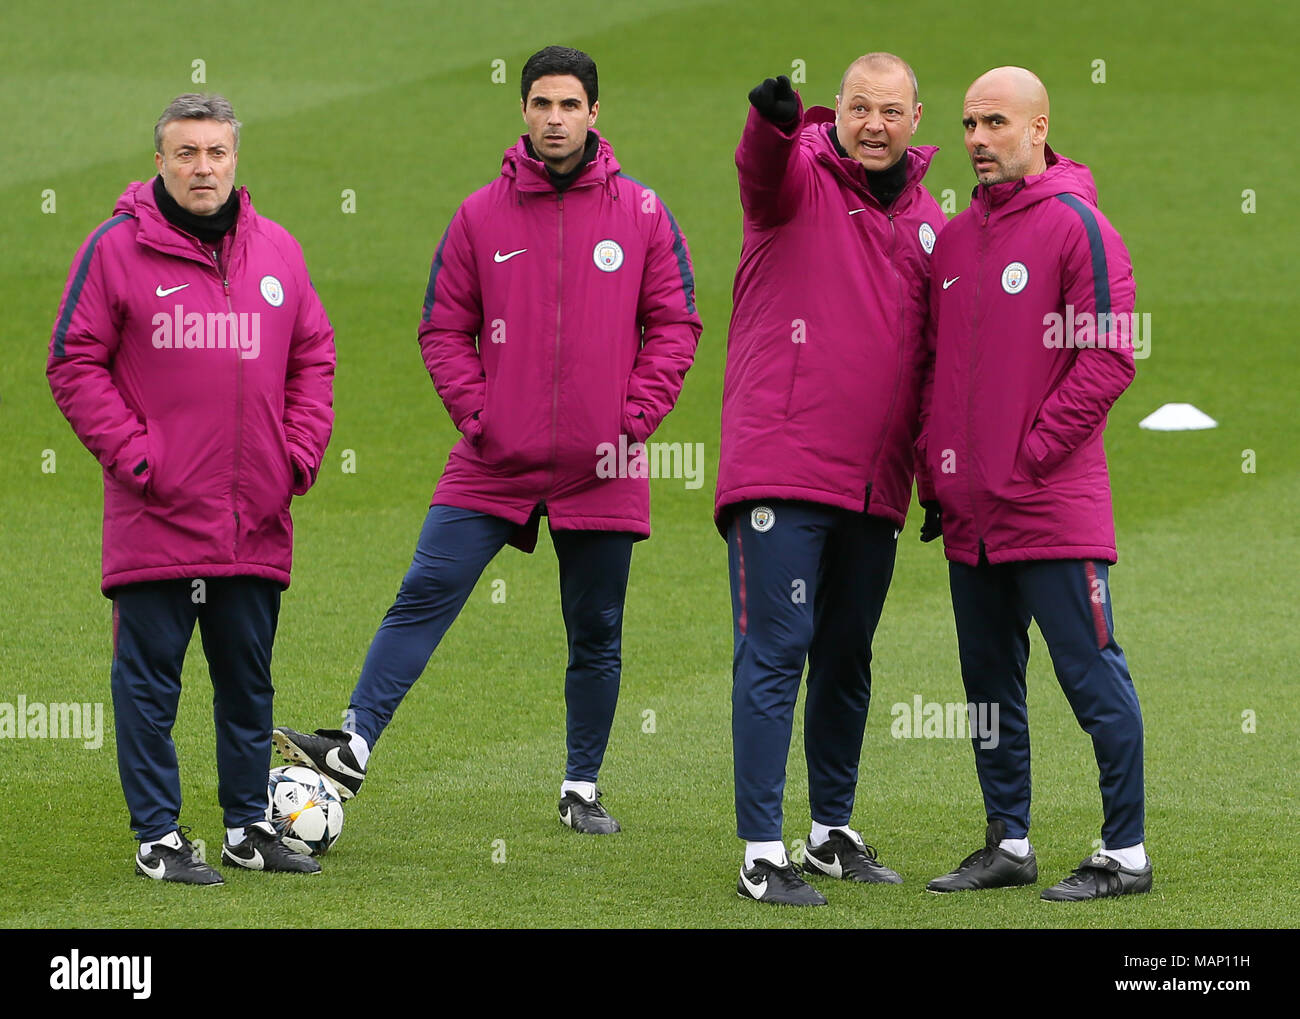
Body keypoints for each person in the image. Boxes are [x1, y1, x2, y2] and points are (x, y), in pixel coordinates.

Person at [273, 46, 700, 835]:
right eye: (541, 103)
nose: (555, 118)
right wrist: (480, 417)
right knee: (423, 592)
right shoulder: (481, 215)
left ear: (594, 114)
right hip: (494, 460)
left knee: (596, 630)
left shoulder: (642, 213)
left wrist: (632, 419)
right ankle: (354, 743)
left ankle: (581, 785)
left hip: (602, 465)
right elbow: (443, 326)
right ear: (524, 111)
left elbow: (675, 325)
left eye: (570, 105)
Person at [47, 93, 336, 883]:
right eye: (186, 153)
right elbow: (73, 362)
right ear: (160, 162)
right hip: (158, 517)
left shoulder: (278, 251)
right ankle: (159, 839)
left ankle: (248, 827)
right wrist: (142, 462)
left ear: (235, 158)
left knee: (248, 683)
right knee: (149, 685)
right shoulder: (113, 249)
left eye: (215, 152)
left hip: (255, 517)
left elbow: (314, 354)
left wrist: (298, 455)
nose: (202, 166)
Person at [916, 67, 1150, 900]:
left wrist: (1030, 455)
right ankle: (1007, 842)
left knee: (1091, 676)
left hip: (1050, 505)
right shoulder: (950, 239)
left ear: (1039, 126)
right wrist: (934, 470)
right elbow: (936, 369)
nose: (977, 138)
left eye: (995, 122)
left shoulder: (1078, 225)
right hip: (970, 513)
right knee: (987, 690)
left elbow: (1109, 355)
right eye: (968, 122)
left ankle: (1125, 852)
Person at [715, 53, 944, 905]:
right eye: (858, 108)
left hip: (876, 483)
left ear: (916, 117)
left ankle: (828, 833)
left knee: (847, 656)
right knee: (776, 652)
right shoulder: (795, 181)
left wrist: (939, 474)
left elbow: (931, 363)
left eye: (890, 110)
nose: (873, 124)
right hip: (783, 466)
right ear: (836, 112)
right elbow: (759, 170)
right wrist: (772, 125)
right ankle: (760, 851)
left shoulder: (929, 225)